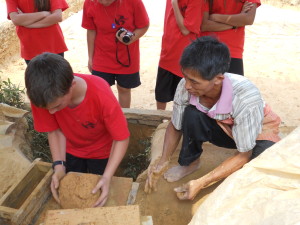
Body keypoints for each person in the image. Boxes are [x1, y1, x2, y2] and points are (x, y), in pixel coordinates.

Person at [145, 36, 281, 200]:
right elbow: (175, 125)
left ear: (218, 79)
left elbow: (244, 153)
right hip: (224, 128)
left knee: (260, 163)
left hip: (256, 132)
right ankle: (191, 163)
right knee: (191, 114)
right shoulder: (186, 86)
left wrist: (201, 182)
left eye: (194, 82)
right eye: (185, 77)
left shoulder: (246, 98)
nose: (187, 85)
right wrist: (163, 162)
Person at [25, 53, 130, 207]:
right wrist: (59, 166)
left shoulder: (100, 94)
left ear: (71, 86)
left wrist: (107, 177)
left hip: (103, 152)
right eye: (48, 109)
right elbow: (55, 131)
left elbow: (121, 138)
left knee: (100, 194)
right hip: (70, 150)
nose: (52, 113)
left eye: (57, 106)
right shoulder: (42, 96)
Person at [82, 0, 149, 108]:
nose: (103, 2)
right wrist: (90, 57)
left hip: (126, 55)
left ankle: (123, 118)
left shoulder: (133, 2)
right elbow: (91, 30)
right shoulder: (89, 2)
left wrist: (131, 38)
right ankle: (106, 118)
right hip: (102, 55)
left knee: (124, 88)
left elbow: (143, 25)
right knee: (101, 88)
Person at [155, 0, 204, 110]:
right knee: (161, 95)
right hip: (167, 52)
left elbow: (185, 30)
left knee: (183, 99)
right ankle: (160, 122)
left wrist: (174, 4)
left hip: (184, 57)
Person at [201, 0, 260, 75]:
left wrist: (216, 17)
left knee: (232, 86)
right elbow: (204, 25)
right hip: (208, 49)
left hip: (233, 52)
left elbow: (248, 19)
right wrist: (237, 22)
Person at [6, 0, 68, 64]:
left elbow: (57, 17)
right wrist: (43, 14)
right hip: (33, 46)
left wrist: (29, 24)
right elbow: (16, 20)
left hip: (52, 44)